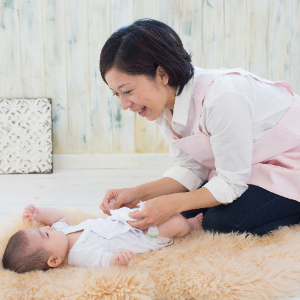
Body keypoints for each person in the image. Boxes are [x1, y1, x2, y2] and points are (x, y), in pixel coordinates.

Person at [99, 19, 300, 236]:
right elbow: (192, 168)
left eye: (127, 91)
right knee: (186, 212)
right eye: (116, 94)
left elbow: (231, 183)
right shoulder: (163, 106)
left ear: (162, 74)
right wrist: (137, 194)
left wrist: (172, 203)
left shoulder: (221, 96)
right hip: (250, 164)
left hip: (290, 162)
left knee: (221, 222)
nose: (124, 105)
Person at [2, 204, 203, 274]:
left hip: (127, 220)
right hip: (143, 236)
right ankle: (191, 225)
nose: (47, 228)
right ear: (54, 260)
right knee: (175, 223)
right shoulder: (79, 255)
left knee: (155, 208)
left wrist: (38, 214)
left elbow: (58, 217)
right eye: (45, 234)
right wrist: (118, 260)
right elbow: (105, 261)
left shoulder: (63, 232)